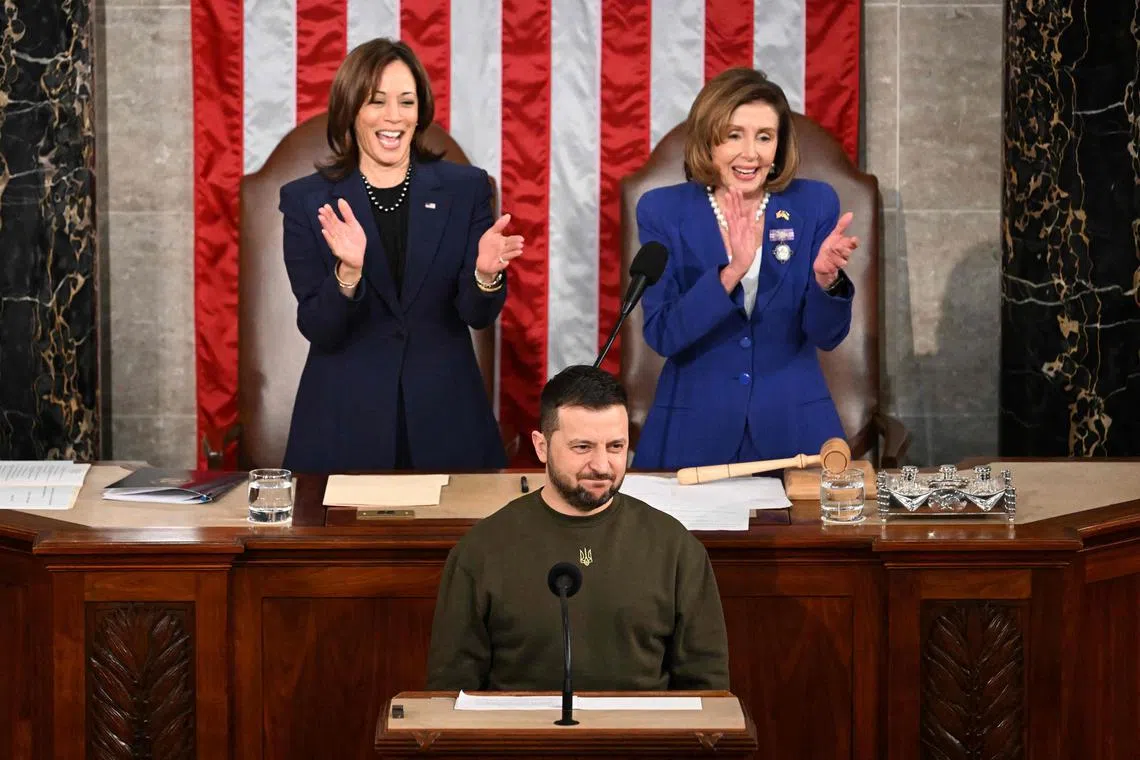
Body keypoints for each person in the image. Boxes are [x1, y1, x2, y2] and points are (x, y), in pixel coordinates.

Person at [278, 39, 522, 472]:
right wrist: (347, 273)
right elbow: (319, 327)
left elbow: (476, 314)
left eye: (406, 102)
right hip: (342, 427)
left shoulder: (465, 190)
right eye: (377, 101)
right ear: (350, 110)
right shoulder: (305, 201)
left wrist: (484, 275)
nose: (394, 116)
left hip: (447, 422)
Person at [425, 365, 729, 691]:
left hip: (642, 739)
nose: (601, 466)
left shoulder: (676, 548)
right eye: (582, 447)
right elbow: (449, 692)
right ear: (542, 447)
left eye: (615, 447)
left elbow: (707, 692)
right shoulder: (481, 550)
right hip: (521, 739)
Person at [633, 68, 857, 470]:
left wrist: (826, 281)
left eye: (764, 137)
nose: (751, 153)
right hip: (693, 431)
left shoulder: (814, 205)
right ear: (707, 140)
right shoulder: (662, 211)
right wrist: (731, 271)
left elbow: (826, 336)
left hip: (795, 431)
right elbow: (663, 334)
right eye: (734, 135)